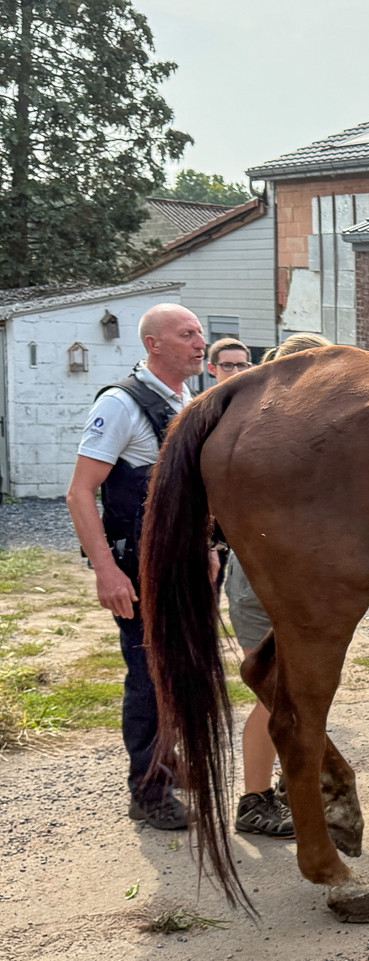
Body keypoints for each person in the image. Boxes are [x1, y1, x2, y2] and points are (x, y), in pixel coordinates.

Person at [64, 303, 209, 830]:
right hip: (138, 568)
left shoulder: (187, 401)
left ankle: (167, 761)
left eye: (199, 332)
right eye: (187, 334)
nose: (200, 342)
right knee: (150, 677)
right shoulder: (121, 404)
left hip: (184, 567)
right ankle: (147, 791)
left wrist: (208, 551)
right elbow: (80, 493)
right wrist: (106, 571)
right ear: (154, 344)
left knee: (181, 669)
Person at [226, 332, 333, 837]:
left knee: (293, 694)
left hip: (282, 579)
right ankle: (254, 801)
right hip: (263, 580)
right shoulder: (270, 434)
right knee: (274, 694)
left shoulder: (281, 428)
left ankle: (287, 787)